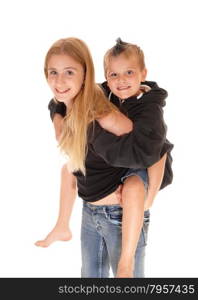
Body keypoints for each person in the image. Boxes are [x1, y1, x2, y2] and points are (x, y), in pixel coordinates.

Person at [35, 37, 173, 278]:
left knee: (133, 187)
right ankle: (61, 225)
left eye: (69, 72)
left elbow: (156, 149)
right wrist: (60, 120)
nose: (120, 81)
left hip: (120, 212)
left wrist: (148, 200)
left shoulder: (126, 111)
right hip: (91, 211)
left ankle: (125, 264)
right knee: (69, 168)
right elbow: (57, 102)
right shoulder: (100, 95)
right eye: (52, 72)